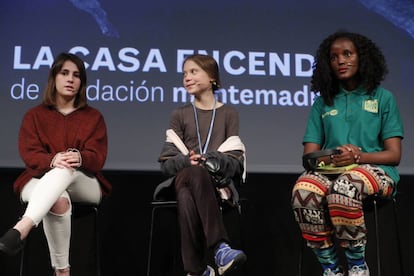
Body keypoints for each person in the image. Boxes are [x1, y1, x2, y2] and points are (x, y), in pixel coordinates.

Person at [291, 31, 404, 276]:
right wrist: (333, 157)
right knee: (303, 190)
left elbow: (394, 155)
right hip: (330, 172)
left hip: (378, 173)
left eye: (347, 54)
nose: (340, 61)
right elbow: (308, 157)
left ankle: (357, 266)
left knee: (343, 189)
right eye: (333, 57)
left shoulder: (383, 98)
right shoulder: (323, 103)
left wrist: (357, 158)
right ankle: (331, 268)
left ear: (362, 58)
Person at [0, 52, 111, 276]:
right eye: (65, 73)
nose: (71, 79)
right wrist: (51, 160)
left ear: (82, 82)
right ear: (54, 78)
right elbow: (29, 155)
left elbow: (98, 157)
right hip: (38, 178)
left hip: (84, 183)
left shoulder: (93, 117)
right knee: (58, 200)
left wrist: (80, 157)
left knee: (65, 168)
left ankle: (22, 227)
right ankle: (62, 271)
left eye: (77, 75)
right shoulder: (34, 116)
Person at [157, 54, 247, 276]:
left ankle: (196, 271)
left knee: (189, 192)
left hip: (215, 184)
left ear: (212, 77)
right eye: (185, 73)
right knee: (192, 173)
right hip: (181, 178)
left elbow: (234, 158)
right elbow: (167, 165)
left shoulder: (228, 114)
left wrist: (209, 160)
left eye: (193, 71)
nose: (187, 78)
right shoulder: (179, 114)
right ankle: (220, 248)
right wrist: (188, 160)